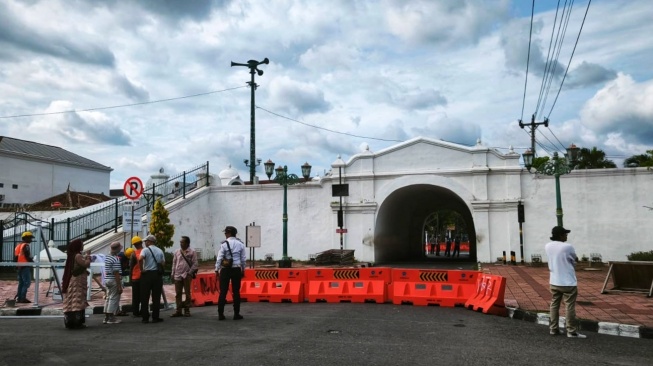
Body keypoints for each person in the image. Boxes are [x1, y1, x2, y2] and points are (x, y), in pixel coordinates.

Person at [545, 226, 586, 339]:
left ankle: (553, 329)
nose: (566, 236)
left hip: (554, 280)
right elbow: (574, 258)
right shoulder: (568, 247)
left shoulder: (547, 246)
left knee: (554, 304)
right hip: (568, 282)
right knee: (569, 306)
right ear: (560, 235)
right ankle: (571, 331)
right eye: (565, 234)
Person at [215, 226, 246, 320]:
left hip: (225, 269)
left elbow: (220, 258)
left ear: (228, 233)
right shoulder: (240, 244)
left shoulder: (224, 244)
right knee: (236, 292)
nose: (225, 234)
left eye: (225, 233)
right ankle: (236, 314)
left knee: (223, 291)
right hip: (236, 269)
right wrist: (243, 269)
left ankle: (221, 314)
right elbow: (243, 259)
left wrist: (216, 269)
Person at [61, 239, 92, 329]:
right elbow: (86, 264)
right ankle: (77, 322)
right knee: (78, 299)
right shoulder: (78, 255)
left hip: (73, 280)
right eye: (81, 244)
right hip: (77, 281)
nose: (83, 246)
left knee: (71, 300)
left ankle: (70, 322)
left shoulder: (72, 255)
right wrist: (88, 256)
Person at [139, 234, 165, 324]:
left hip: (147, 274)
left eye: (146, 241)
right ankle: (155, 317)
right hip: (157, 275)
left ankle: (145, 318)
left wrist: (142, 269)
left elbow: (140, 259)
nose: (145, 243)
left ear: (150, 241)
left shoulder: (145, 250)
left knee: (144, 297)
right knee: (156, 297)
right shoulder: (160, 250)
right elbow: (163, 263)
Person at [170, 236, 199, 317]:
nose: (181, 243)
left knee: (187, 293)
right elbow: (174, 263)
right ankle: (178, 310)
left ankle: (187, 310)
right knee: (178, 293)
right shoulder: (177, 252)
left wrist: (189, 273)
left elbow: (195, 264)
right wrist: (173, 273)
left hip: (187, 275)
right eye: (180, 242)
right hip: (177, 275)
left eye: (182, 242)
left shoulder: (192, 252)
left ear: (187, 243)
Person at [103, 242, 123, 324]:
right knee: (114, 298)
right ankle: (111, 317)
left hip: (107, 279)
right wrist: (119, 286)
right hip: (113, 279)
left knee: (108, 298)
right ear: (117, 248)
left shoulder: (107, 257)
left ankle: (106, 317)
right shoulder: (115, 259)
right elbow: (116, 273)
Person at [14, 231, 34, 303]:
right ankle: (22, 298)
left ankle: (19, 298)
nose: (31, 240)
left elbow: (16, 258)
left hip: (19, 267)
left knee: (21, 283)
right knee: (26, 283)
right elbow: (27, 255)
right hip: (25, 266)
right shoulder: (26, 245)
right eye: (30, 238)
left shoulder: (18, 246)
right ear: (26, 238)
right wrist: (32, 262)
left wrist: (16, 266)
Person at [129, 236, 144, 317]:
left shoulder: (133, 254)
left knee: (135, 296)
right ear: (141, 242)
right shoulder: (146, 251)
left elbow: (131, 267)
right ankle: (143, 310)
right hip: (144, 277)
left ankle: (135, 312)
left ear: (134, 245)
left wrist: (130, 278)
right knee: (144, 295)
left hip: (135, 278)